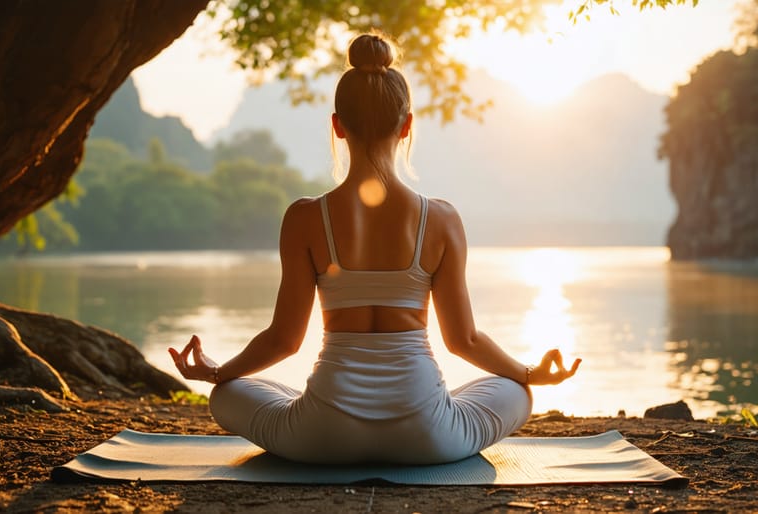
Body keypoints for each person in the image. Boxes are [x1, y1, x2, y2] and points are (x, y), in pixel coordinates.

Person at [169, 33, 581, 465]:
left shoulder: (305, 218)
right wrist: (531, 373)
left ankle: (300, 403)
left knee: (226, 394)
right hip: (428, 436)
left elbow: (283, 341)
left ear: (337, 125)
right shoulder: (440, 220)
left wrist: (216, 372)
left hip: (323, 437)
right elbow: (465, 340)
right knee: (516, 391)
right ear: (407, 126)